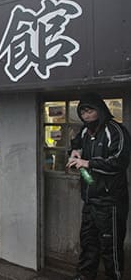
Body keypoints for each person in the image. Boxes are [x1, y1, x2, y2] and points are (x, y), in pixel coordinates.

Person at [67, 93, 130, 280]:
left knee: (110, 247)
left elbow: (119, 162)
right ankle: (84, 276)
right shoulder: (86, 131)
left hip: (110, 202)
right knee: (88, 243)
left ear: (100, 109)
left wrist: (88, 163)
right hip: (90, 199)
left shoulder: (115, 130)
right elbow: (76, 144)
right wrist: (75, 152)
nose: (86, 115)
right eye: (83, 112)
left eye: (90, 110)